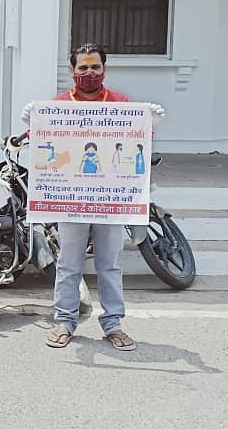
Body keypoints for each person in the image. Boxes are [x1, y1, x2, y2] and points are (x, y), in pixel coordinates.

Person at [22, 43, 165, 351]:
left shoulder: (120, 103)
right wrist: (32, 124)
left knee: (109, 264)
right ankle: (65, 321)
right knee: (68, 263)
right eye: (83, 67)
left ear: (104, 69)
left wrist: (148, 126)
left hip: (109, 200)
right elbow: (42, 146)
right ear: (72, 70)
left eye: (95, 67)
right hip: (72, 199)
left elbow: (134, 144)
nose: (89, 73)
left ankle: (113, 324)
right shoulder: (59, 105)